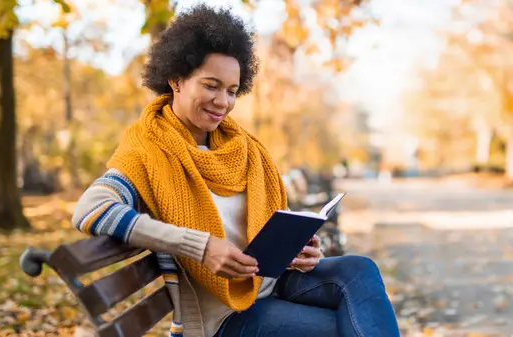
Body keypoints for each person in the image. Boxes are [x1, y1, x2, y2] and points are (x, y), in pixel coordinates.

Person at [72, 4, 400, 337]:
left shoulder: (241, 148)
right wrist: (200, 246)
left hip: (272, 281)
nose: (223, 102)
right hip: (225, 318)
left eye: (231, 91)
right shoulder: (145, 151)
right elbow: (91, 211)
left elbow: (259, 227)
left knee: (360, 270)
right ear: (176, 80)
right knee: (344, 327)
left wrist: (294, 247)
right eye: (211, 86)